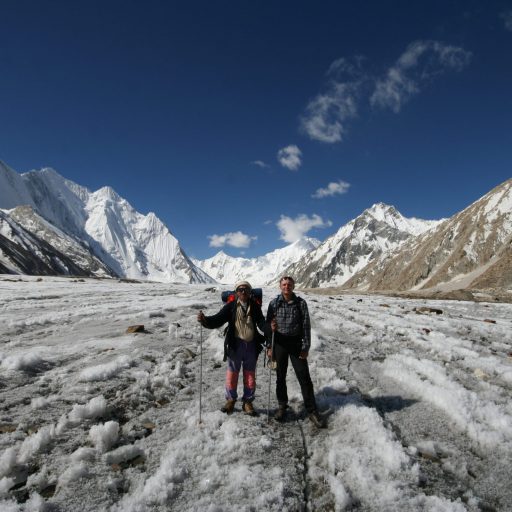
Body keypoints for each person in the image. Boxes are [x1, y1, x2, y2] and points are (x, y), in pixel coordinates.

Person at [197, 280, 267, 416]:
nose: (243, 291)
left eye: (246, 289)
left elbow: (261, 323)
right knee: (232, 374)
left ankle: (248, 401)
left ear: (250, 292)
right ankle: (230, 400)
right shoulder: (231, 306)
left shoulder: (255, 306)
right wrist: (205, 320)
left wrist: (270, 328)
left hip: (251, 345)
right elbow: (218, 319)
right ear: (236, 292)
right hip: (235, 345)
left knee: (250, 375)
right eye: (240, 289)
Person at [266, 276, 326, 428]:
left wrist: (305, 347)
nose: (287, 287)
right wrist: (269, 346)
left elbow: (306, 326)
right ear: (280, 286)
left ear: (293, 286)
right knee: (280, 376)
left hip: (295, 344)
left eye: (289, 284)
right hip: (279, 343)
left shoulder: (300, 303)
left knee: (304, 376)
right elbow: (268, 327)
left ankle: (312, 410)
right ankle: (282, 406)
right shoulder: (273, 304)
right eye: (284, 284)